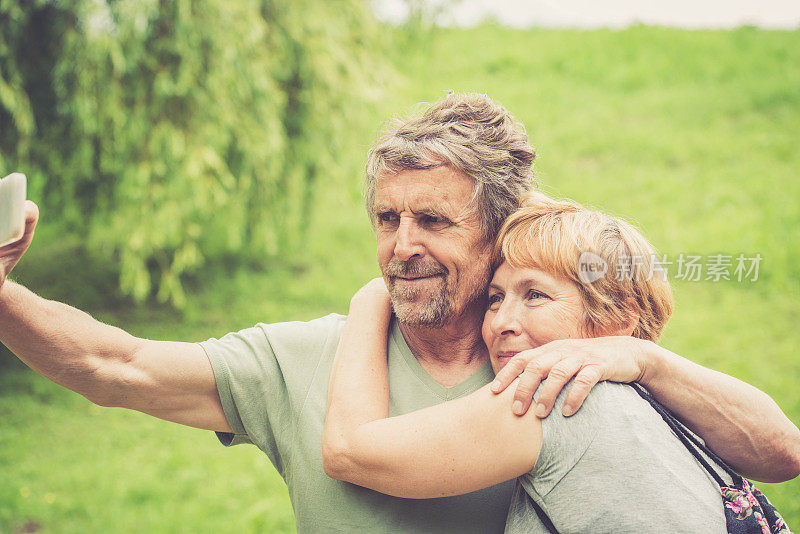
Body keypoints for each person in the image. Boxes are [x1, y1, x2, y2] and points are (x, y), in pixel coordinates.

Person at [1, 93, 798, 533]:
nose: (402, 246)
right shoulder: (309, 359)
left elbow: (774, 452)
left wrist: (647, 359)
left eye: (435, 221)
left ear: (501, 230)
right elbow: (113, 363)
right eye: (388, 219)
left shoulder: (556, 354)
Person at [323, 192, 782, 532]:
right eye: (494, 298)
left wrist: (374, 294)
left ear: (616, 321)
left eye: (535, 295)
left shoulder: (556, 400)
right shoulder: (648, 401)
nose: (500, 321)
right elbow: (786, 455)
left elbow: (349, 451)